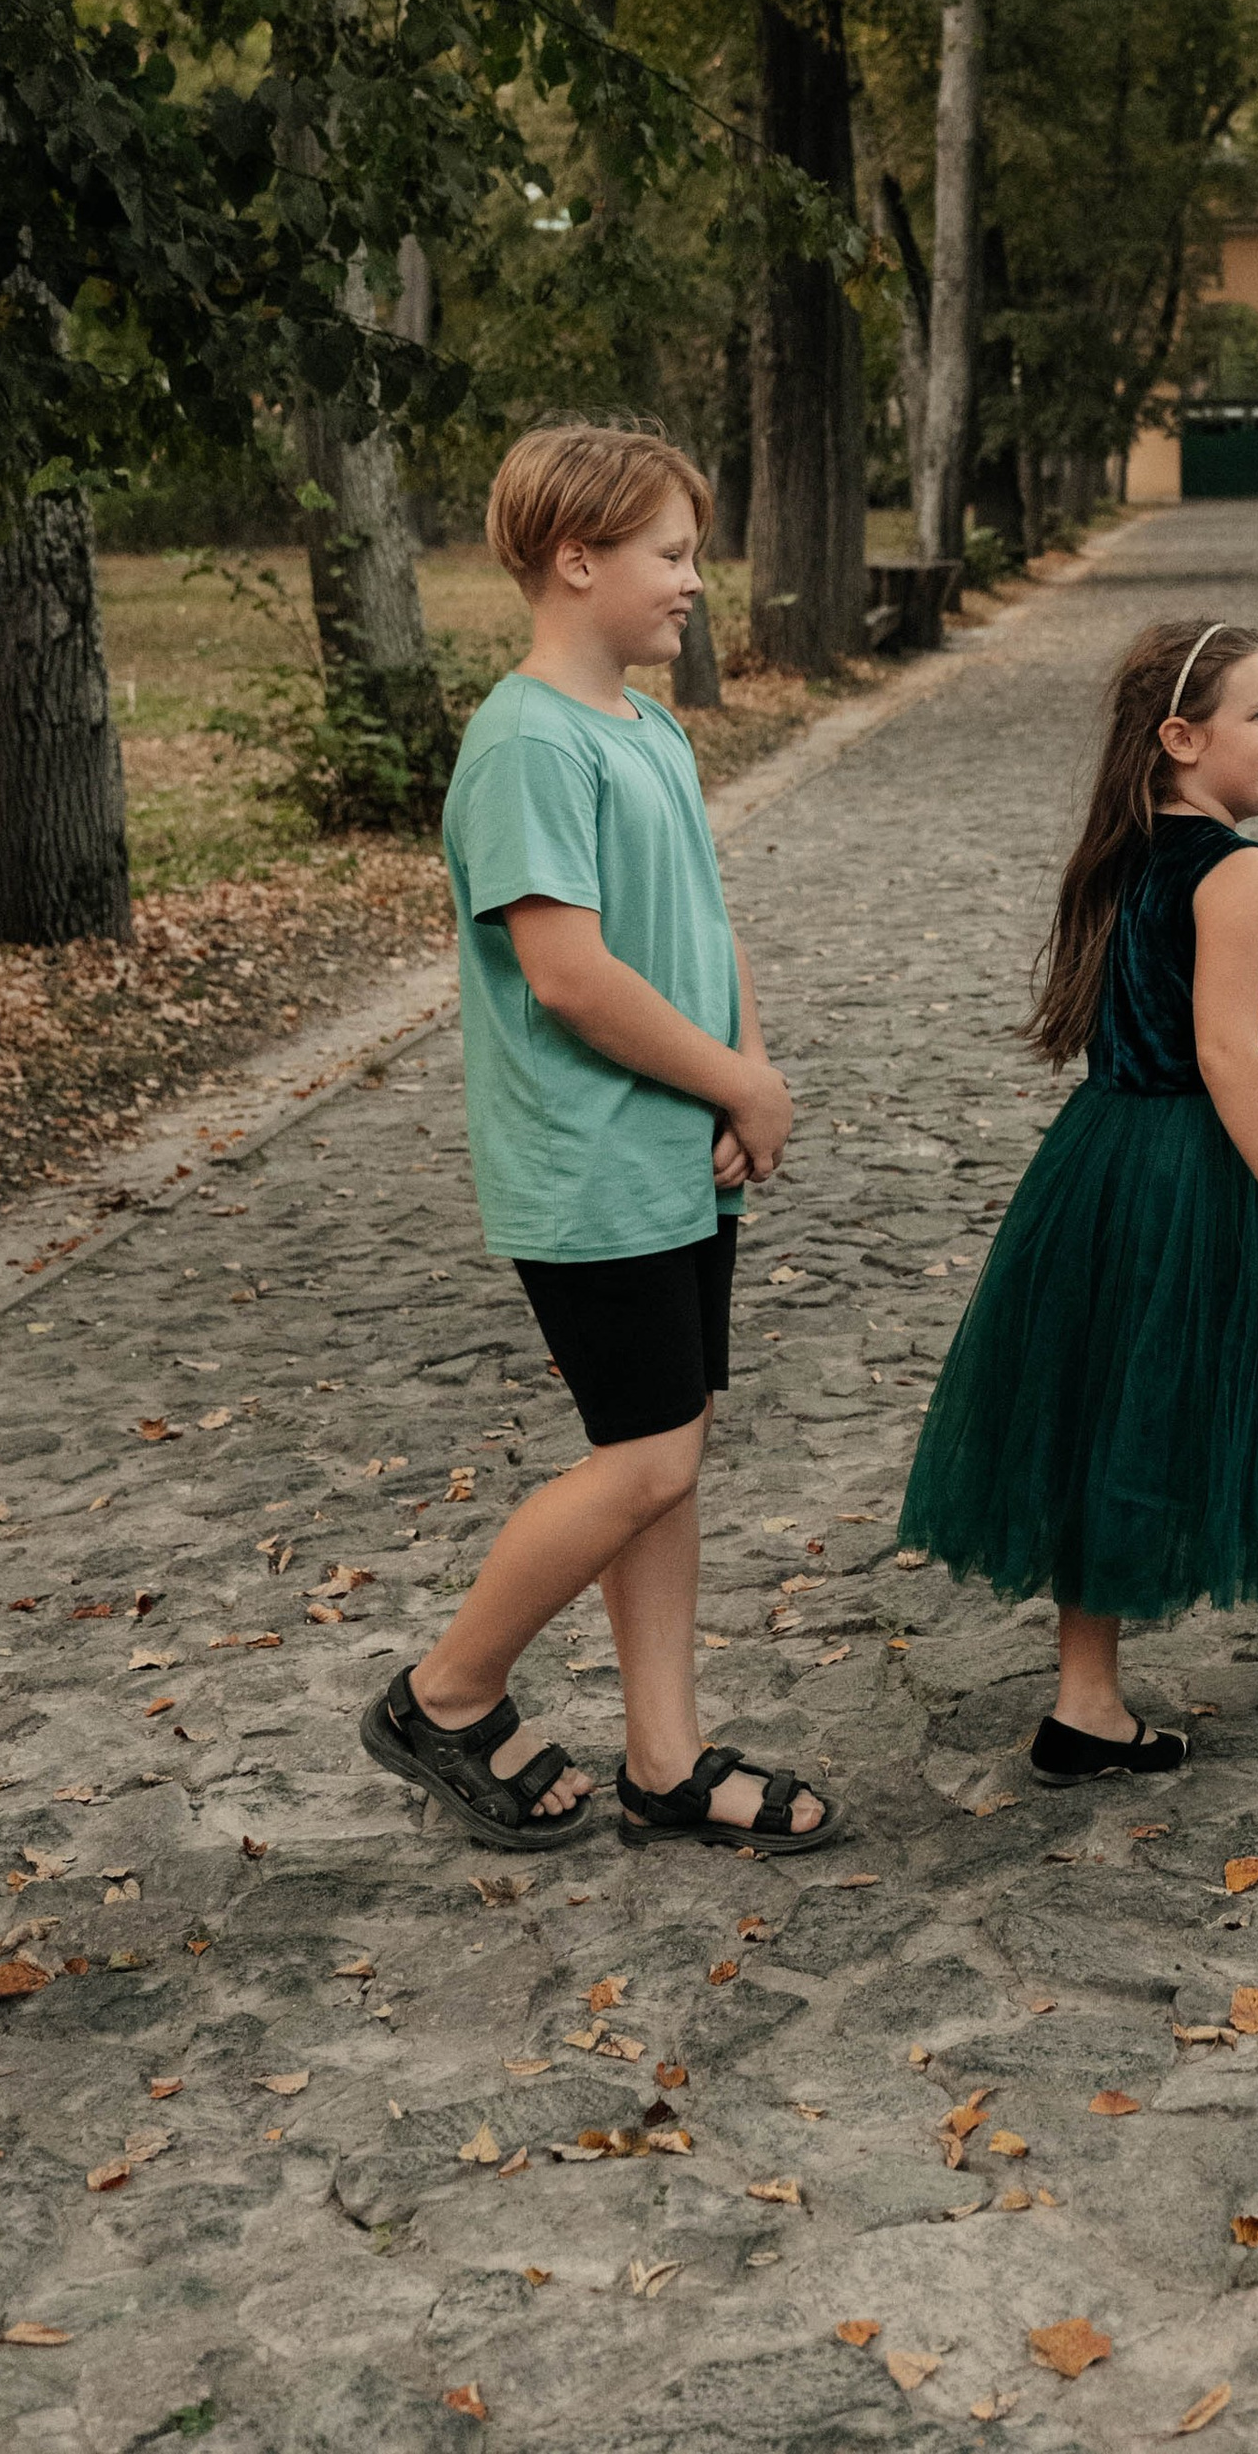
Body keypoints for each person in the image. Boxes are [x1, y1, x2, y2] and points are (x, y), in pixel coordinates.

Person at [898, 615, 1258, 1781]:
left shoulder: (1122, 852)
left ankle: (1089, 1699)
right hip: (1224, 1156)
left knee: (1105, 1400)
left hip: (1110, 1157)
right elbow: (1228, 1053)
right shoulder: (1240, 870)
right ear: (1179, 736)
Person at [361, 422, 833, 1858]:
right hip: (588, 1164)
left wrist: (741, 1068)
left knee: (667, 1450)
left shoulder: (649, 725)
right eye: (671, 555)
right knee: (644, 1458)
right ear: (577, 559)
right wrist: (737, 1091)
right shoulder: (523, 742)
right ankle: (446, 1692)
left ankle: (665, 1759)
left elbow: (700, 915)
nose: (696, 582)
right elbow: (567, 974)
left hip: (672, 1151)